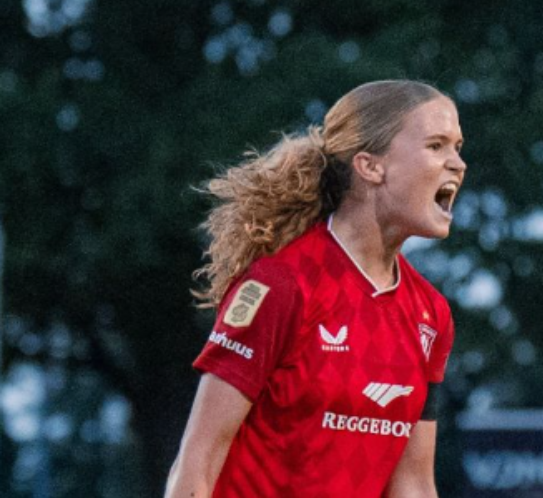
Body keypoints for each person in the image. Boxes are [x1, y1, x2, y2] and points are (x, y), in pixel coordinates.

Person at [165, 80, 465, 498]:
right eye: (436, 146)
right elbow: (197, 463)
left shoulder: (430, 314)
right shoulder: (281, 286)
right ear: (370, 166)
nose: (458, 163)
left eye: (458, 148)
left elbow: (413, 483)